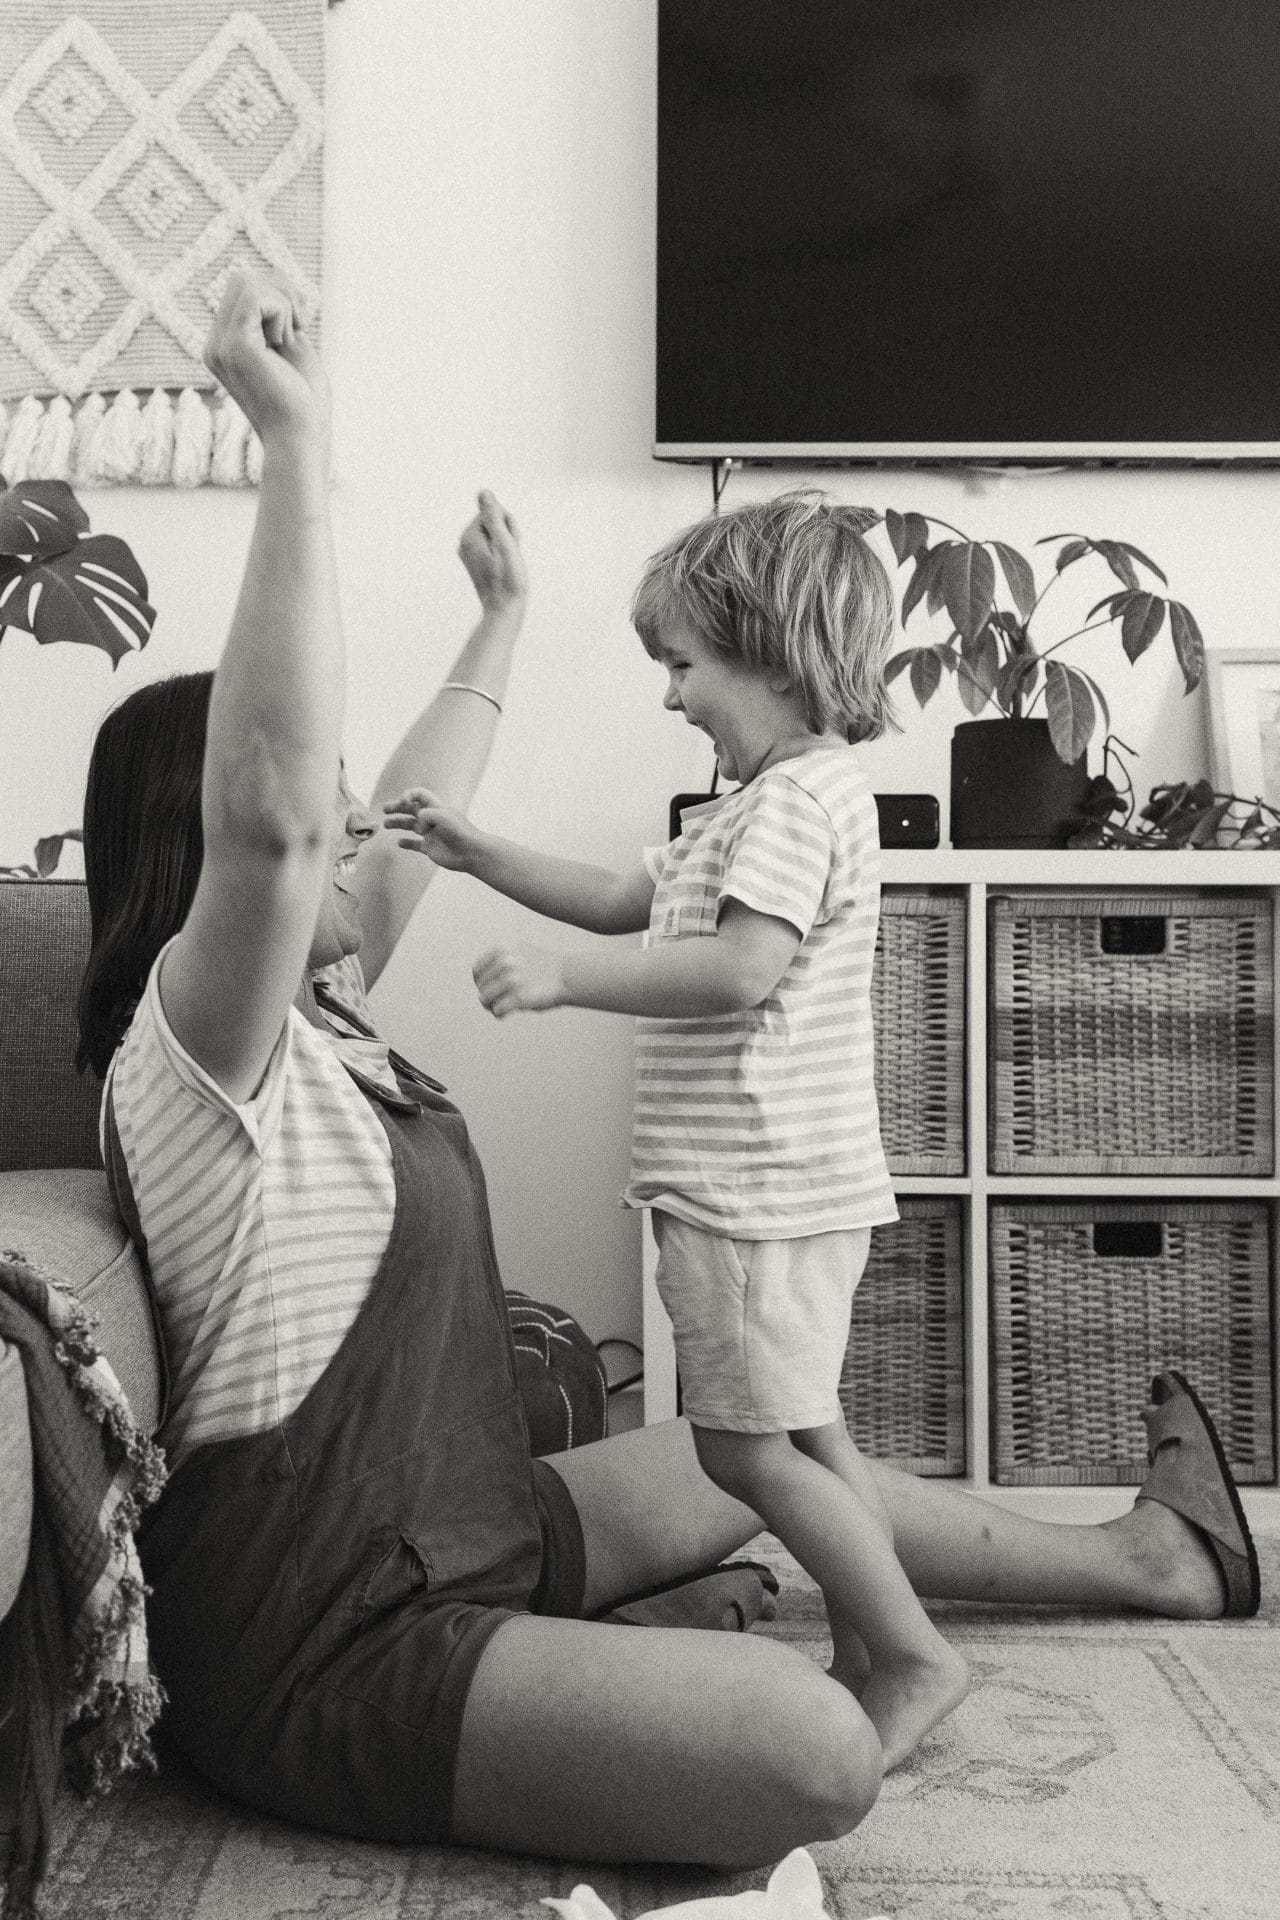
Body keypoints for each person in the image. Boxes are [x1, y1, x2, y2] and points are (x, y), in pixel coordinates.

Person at [79, 272, 1256, 1876]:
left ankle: (1150, 1566)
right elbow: (279, 815)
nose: (358, 833)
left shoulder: (331, 1002)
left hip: (463, 1531)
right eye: (327, 818)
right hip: (324, 1637)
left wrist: (498, 621)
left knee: (740, 1450)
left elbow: (411, 815)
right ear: (210, 855)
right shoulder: (199, 1051)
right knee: (815, 1748)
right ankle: (717, 1677)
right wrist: (292, 448)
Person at [386, 492, 969, 1771]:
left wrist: (558, 982)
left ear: (767, 650)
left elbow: (736, 971)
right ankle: (876, 1649)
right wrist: (473, 847)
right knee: (809, 1434)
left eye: (680, 667)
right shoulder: (747, 810)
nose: (668, 698)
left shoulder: (796, 807)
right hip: (770, 1186)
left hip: (757, 1189)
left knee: (741, 1446)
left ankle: (914, 1653)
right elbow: (614, 898)